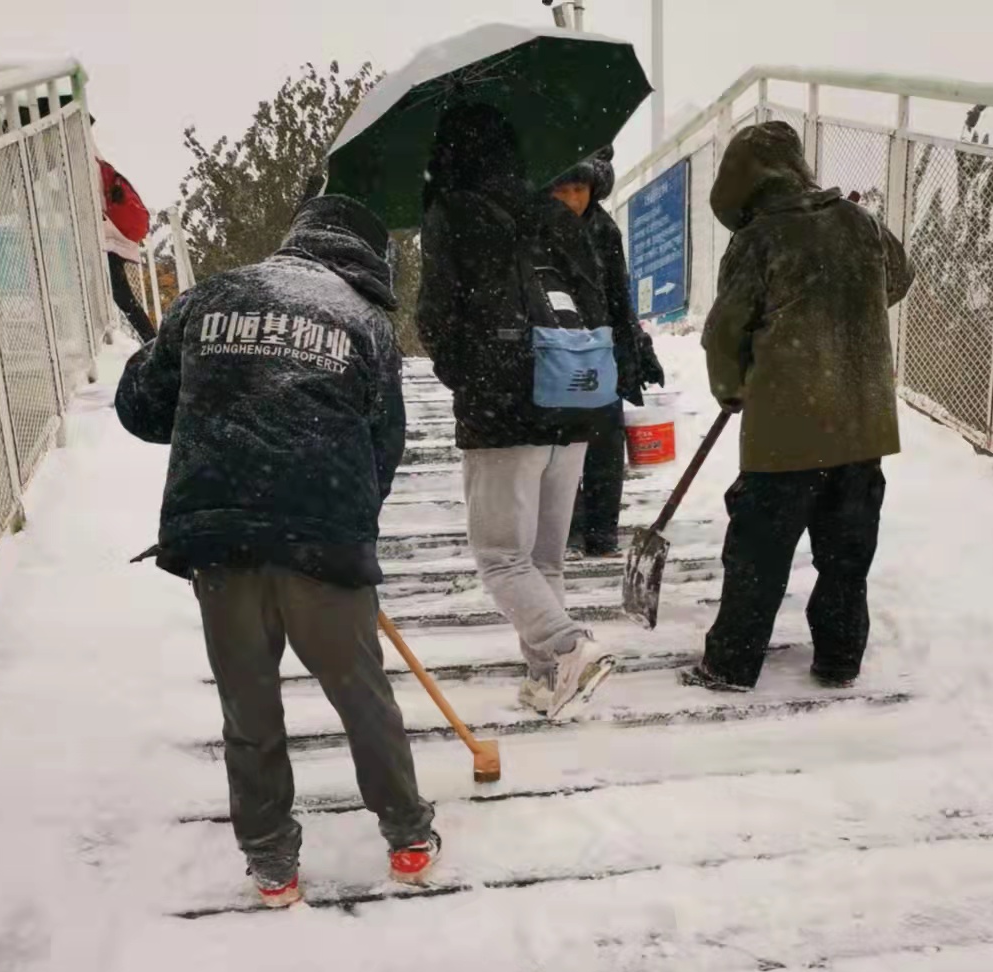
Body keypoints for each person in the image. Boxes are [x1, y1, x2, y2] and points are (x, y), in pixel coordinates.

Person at [115, 194, 438, 903]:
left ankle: (270, 861)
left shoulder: (210, 298)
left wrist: (197, 382)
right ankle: (408, 837)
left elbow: (141, 408)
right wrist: (344, 530)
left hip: (220, 537)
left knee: (248, 705)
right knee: (363, 697)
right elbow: (382, 448)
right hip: (322, 540)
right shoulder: (365, 324)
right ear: (367, 259)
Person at [683, 120, 913, 693]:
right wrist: (844, 295)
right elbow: (899, 278)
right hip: (861, 428)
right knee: (846, 555)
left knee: (758, 556)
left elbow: (725, 332)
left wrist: (731, 389)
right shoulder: (861, 222)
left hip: (786, 435)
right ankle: (839, 659)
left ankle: (731, 665)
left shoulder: (758, 238)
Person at [417, 105, 615, 719]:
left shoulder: (454, 212)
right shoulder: (552, 210)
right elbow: (597, 299)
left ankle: (570, 646)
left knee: (502, 556)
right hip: (572, 395)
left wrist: (468, 377)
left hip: (502, 403)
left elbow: (436, 315)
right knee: (543, 559)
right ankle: (546, 679)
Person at [570, 145, 666, 558]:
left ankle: (600, 531)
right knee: (561, 442)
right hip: (554, 348)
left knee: (605, 441)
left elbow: (619, 296)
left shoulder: (604, 230)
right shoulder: (535, 226)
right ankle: (569, 525)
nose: (573, 198)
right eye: (566, 189)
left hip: (600, 348)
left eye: (581, 189)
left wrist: (639, 346)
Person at [99, 154, 157, 344]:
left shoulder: (91, 169)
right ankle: (151, 340)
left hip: (112, 240)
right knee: (123, 297)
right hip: (116, 240)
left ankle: (152, 341)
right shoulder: (103, 169)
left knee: (122, 297)